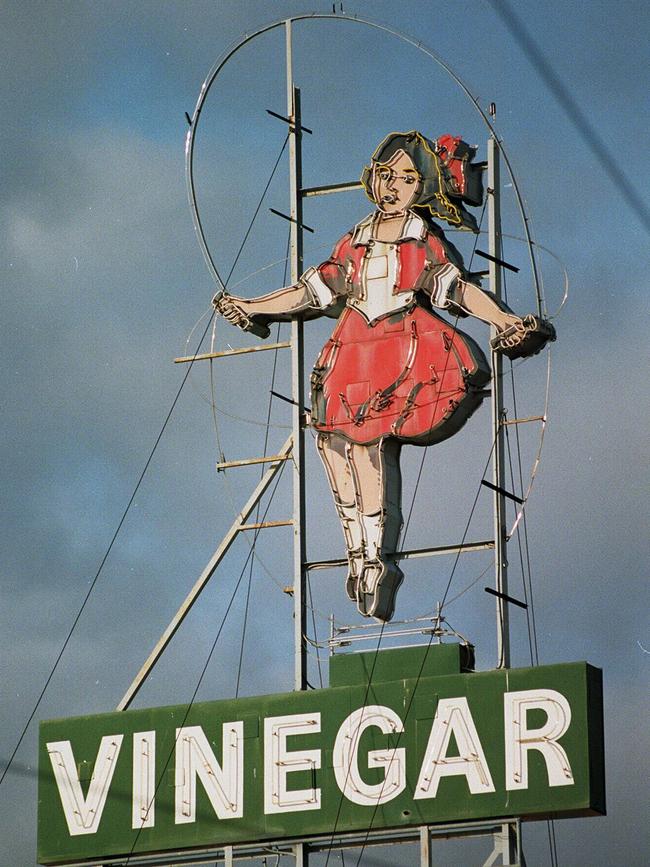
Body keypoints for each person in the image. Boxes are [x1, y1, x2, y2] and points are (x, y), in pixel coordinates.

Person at [214, 130, 554, 622]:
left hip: (400, 347)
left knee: (371, 450)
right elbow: (315, 291)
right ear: (373, 178)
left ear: (425, 186)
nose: (394, 185)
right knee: (332, 447)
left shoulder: (420, 239)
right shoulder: (355, 239)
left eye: (408, 177)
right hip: (350, 350)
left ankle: (378, 560)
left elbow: (453, 287)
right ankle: (357, 554)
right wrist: (253, 307)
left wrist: (503, 322)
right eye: (387, 174)